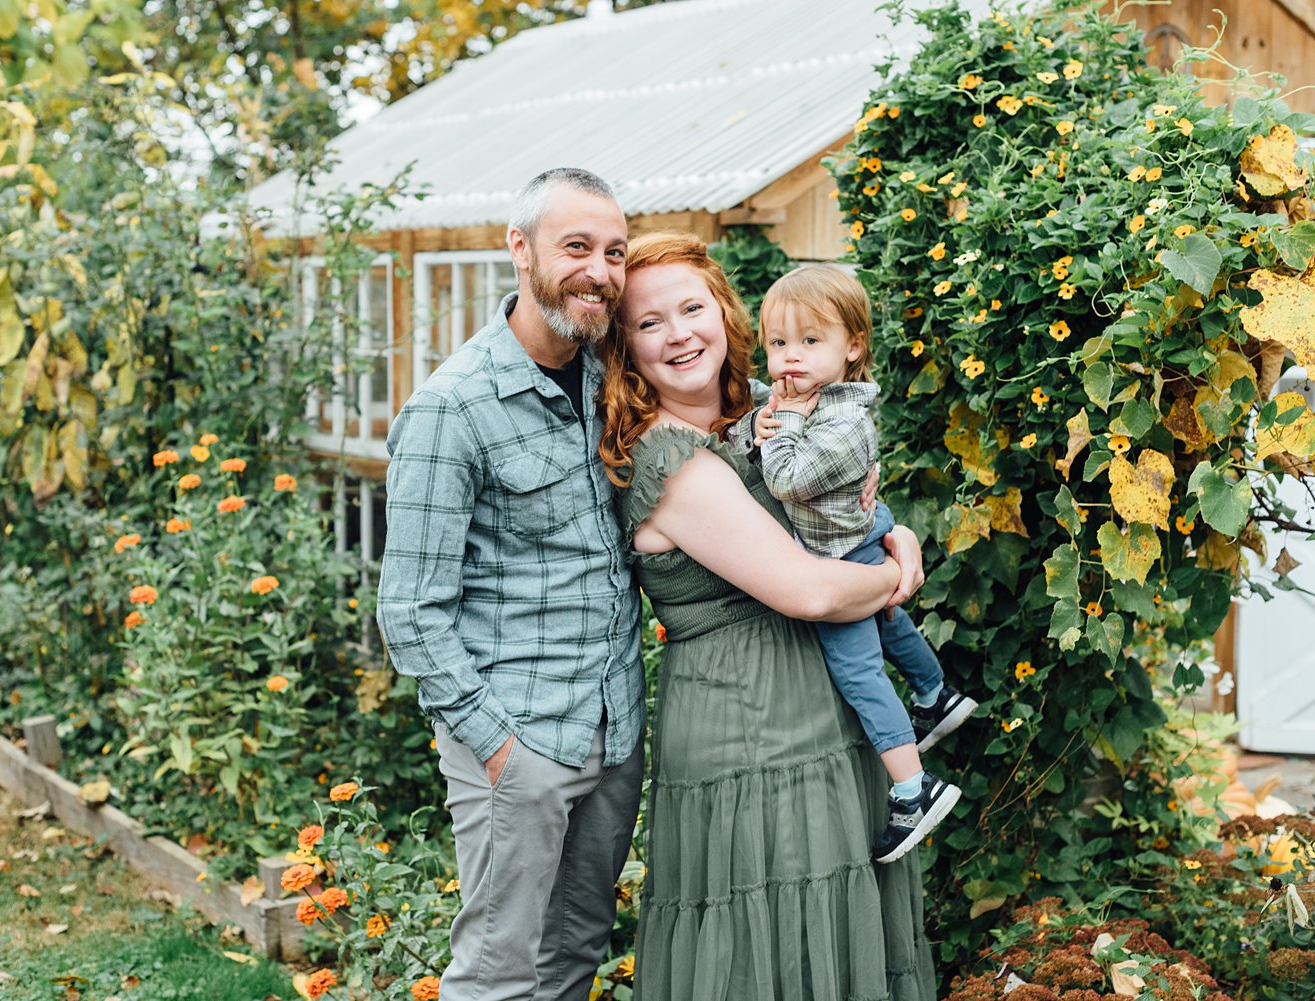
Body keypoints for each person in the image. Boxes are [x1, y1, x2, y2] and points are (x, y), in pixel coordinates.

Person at [599, 231, 936, 1001]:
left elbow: (840, 512)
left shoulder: (769, 412)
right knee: (770, 939)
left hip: (825, 711)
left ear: (724, 311)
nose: (680, 332)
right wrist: (892, 573)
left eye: (693, 307)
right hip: (747, 726)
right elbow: (810, 591)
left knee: (837, 923)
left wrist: (893, 530)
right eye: (650, 323)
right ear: (625, 350)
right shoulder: (669, 457)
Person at [376, 168, 646, 1001]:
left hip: (612, 732)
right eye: (576, 247)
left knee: (575, 954)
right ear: (518, 249)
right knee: (496, 973)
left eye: (614, 252)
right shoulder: (453, 408)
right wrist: (500, 749)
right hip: (519, 742)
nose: (598, 270)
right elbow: (410, 611)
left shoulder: (616, 379)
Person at [754, 266, 977, 864]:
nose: (788, 359)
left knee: (858, 673)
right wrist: (765, 416)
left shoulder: (842, 421)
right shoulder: (814, 398)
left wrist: (780, 427)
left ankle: (914, 789)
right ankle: (935, 694)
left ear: (852, 346)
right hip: (857, 532)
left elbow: (788, 478)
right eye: (778, 344)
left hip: (841, 552)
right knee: (890, 622)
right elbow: (756, 406)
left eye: (809, 341)